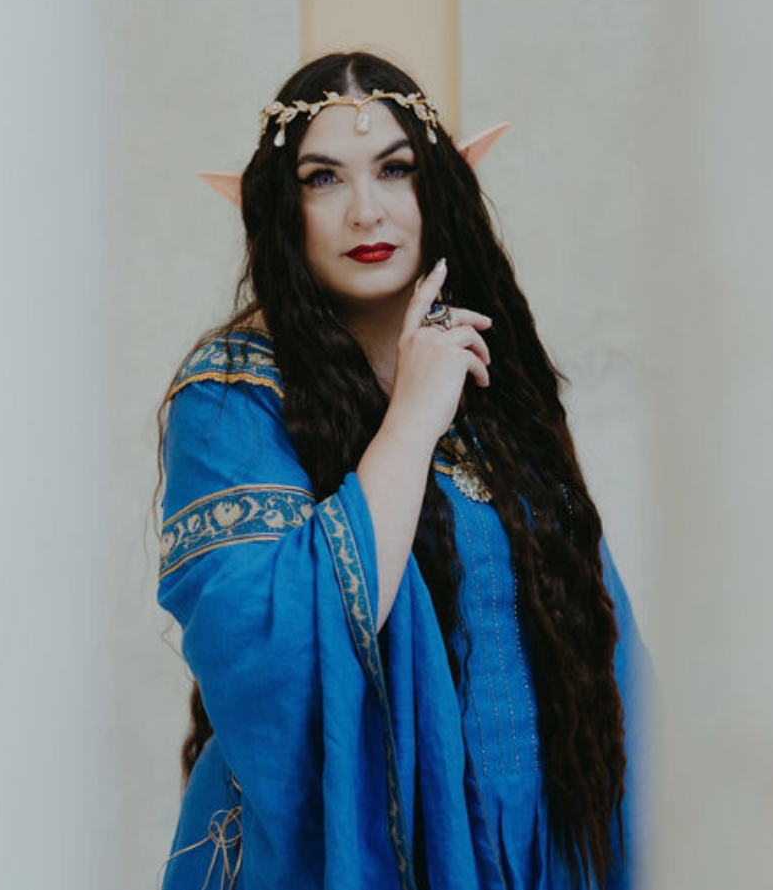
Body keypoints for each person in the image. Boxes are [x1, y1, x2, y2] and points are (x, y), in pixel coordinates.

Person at [156, 53, 649, 889]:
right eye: (323, 178)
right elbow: (268, 657)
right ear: (281, 209)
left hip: (547, 856)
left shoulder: (492, 381)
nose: (366, 210)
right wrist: (412, 421)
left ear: (438, 187)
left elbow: (604, 643)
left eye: (395, 168)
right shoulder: (232, 399)